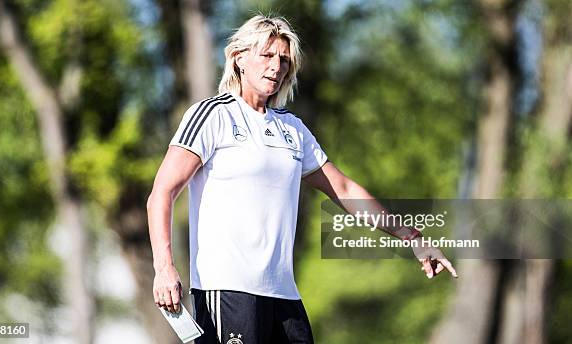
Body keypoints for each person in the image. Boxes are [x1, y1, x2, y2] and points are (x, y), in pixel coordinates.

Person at [147, 15, 457, 344]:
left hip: (283, 295)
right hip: (227, 290)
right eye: (267, 55)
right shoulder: (212, 115)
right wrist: (164, 268)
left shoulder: (293, 130)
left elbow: (344, 188)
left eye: (283, 59)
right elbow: (161, 194)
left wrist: (411, 236)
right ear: (239, 58)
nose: (276, 66)